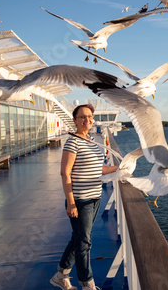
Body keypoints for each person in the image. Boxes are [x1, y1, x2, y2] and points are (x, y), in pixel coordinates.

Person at [50, 104, 118, 290]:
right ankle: (87, 284)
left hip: (95, 197)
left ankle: (60, 275)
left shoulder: (92, 140)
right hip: (80, 200)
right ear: (75, 120)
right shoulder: (73, 142)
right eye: (82, 117)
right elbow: (65, 173)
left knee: (78, 238)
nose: (87, 120)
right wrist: (71, 202)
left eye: (90, 116)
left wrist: (120, 168)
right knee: (84, 242)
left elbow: (98, 169)